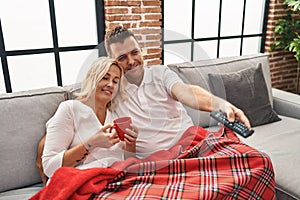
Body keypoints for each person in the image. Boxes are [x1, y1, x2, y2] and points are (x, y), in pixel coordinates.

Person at [36, 25, 252, 184]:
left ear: (141, 51)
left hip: (192, 144)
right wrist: (45, 154)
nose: (131, 61)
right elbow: (69, 122)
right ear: (111, 64)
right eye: (122, 58)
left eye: (134, 52)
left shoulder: (160, 74)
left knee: (253, 162)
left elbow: (186, 92)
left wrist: (220, 104)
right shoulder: (113, 94)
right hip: (156, 163)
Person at [41, 56, 138, 183]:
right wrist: (92, 143)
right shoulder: (70, 109)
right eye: (105, 78)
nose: (110, 84)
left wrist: (131, 145)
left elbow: (127, 162)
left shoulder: (116, 116)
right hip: (82, 182)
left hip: (117, 178)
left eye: (115, 81)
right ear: (93, 79)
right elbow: (49, 167)